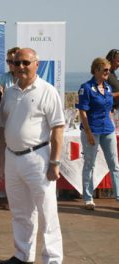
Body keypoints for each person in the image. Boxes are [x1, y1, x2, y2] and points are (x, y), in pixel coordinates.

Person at [0, 48, 64, 264]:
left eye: (26, 62)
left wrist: (54, 162)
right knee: (20, 212)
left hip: (39, 159)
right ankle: (22, 255)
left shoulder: (48, 91)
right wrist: (0, 161)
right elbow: (3, 129)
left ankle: (52, 259)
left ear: (36, 63)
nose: (21, 67)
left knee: (47, 214)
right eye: (16, 63)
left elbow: (58, 130)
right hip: (12, 159)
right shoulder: (8, 93)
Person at [76, 57, 119, 210]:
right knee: (89, 165)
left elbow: (108, 107)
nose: (108, 72)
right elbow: (82, 111)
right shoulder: (86, 88)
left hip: (108, 130)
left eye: (109, 69)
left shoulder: (107, 87)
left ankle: (118, 197)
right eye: (105, 70)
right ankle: (88, 199)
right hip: (92, 131)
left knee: (115, 165)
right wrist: (88, 133)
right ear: (96, 70)